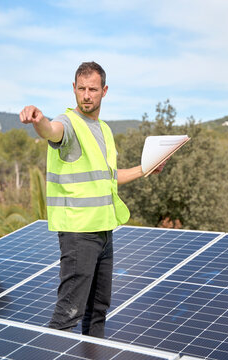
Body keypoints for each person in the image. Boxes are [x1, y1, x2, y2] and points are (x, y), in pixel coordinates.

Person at [19, 61, 164, 338]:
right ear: (73, 89)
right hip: (78, 234)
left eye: (93, 89)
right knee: (68, 315)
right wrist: (39, 121)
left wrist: (146, 168)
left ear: (104, 91)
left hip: (104, 232)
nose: (87, 95)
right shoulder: (68, 124)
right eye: (81, 89)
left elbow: (110, 176)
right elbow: (52, 131)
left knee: (98, 311)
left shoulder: (104, 130)